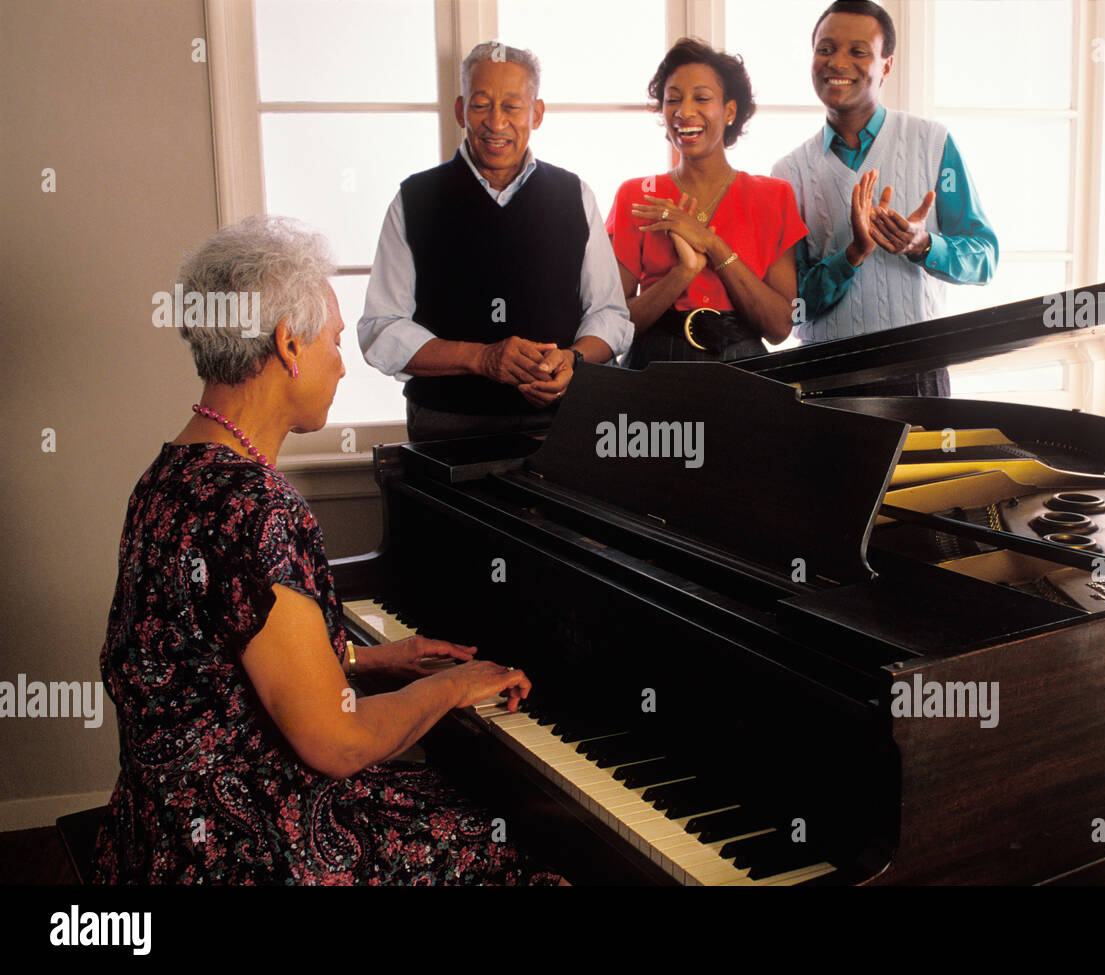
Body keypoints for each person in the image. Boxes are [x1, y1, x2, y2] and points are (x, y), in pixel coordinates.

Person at [93, 216, 560, 884]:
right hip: (242, 851)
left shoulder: (167, 476)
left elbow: (215, 665)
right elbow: (337, 745)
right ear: (288, 343)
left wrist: (365, 660)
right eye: (335, 341)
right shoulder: (259, 509)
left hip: (156, 827)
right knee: (527, 846)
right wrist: (450, 684)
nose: (342, 363)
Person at [359, 42, 633, 441]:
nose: (496, 122)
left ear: (536, 113)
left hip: (562, 421)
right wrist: (480, 358)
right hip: (447, 424)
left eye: (512, 106)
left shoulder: (573, 194)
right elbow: (380, 329)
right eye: (481, 104)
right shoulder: (415, 198)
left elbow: (609, 313)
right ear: (460, 110)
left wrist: (573, 359)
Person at [773, 0, 998, 395]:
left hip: (918, 371)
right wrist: (852, 255)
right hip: (823, 377)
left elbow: (984, 257)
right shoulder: (788, 173)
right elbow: (793, 307)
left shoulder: (933, 143)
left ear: (886, 66)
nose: (837, 62)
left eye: (858, 51)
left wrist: (922, 244)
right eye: (826, 49)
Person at [606, 38, 807, 367]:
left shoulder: (774, 196)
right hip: (653, 368)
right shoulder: (636, 195)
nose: (684, 112)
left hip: (742, 367)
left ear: (729, 110)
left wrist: (713, 245)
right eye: (673, 100)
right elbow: (614, 324)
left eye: (701, 98)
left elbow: (779, 327)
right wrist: (683, 272)